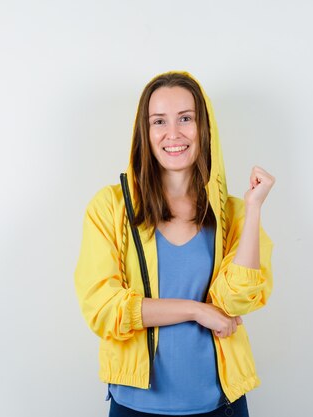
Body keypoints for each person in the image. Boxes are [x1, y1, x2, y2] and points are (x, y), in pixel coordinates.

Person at [74, 71, 275, 417]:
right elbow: (103, 308)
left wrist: (254, 208)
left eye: (186, 118)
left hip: (221, 406)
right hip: (135, 407)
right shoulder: (110, 208)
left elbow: (236, 301)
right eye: (159, 121)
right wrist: (195, 309)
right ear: (145, 132)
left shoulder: (232, 213)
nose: (173, 134)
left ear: (204, 127)